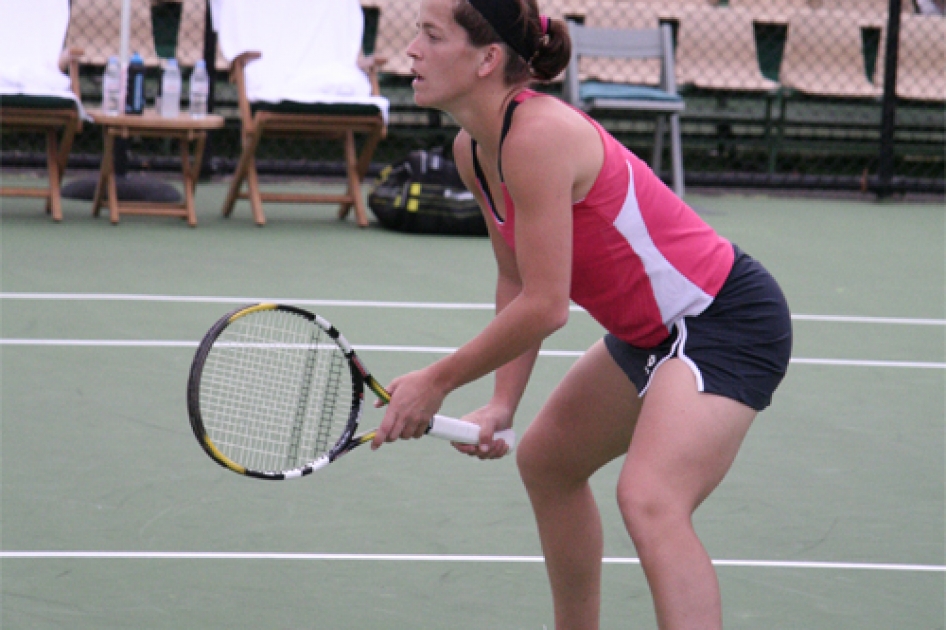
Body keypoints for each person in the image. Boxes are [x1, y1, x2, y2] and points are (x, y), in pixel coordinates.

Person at [370, 0, 793, 628]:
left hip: (722, 318)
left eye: (431, 35)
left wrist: (436, 380)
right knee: (547, 462)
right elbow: (516, 279)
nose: (410, 50)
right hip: (651, 333)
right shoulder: (475, 148)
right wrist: (502, 403)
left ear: (488, 59)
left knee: (650, 500)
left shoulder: (538, 136)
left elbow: (547, 305)